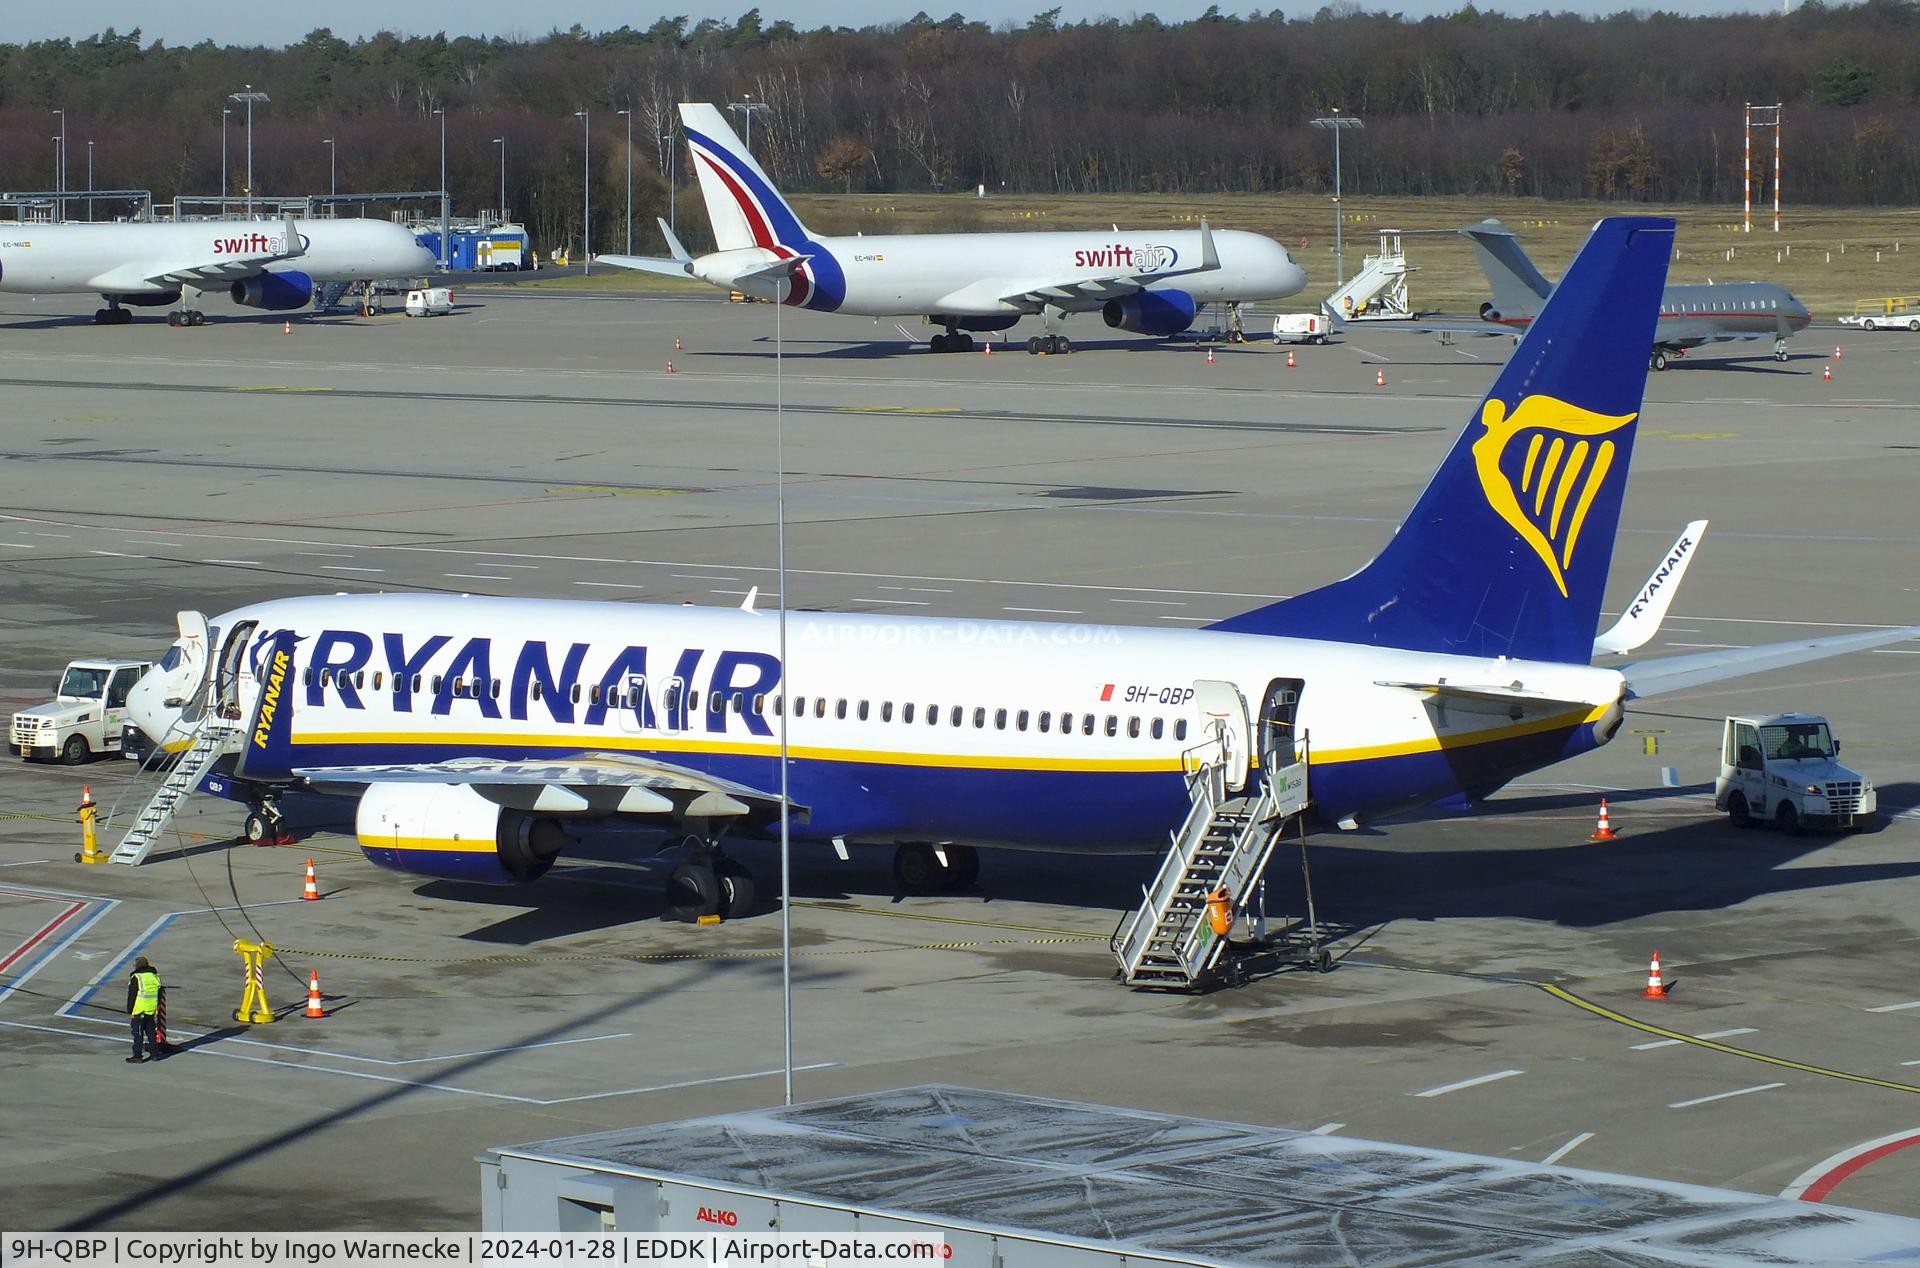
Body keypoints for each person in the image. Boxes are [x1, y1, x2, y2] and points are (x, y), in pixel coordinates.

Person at [126, 955, 162, 1063]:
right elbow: (159, 993)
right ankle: (155, 1054)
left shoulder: (137, 977)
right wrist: (156, 1006)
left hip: (139, 1009)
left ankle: (137, 1055)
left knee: (138, 1033)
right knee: (151, 1032)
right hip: (151, 1009)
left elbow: (132, 995)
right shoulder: (154, 976)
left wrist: (130, 1010)